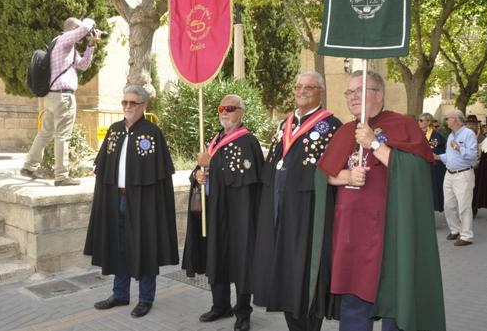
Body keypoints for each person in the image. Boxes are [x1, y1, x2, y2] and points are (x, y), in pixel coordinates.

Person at [316, 71, 445, 331]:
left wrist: (374, 144)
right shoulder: (344, 132)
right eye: (349, 92)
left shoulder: (402, 125)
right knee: (353, 304)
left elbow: (416, 172)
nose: (352, 97)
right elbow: (324, 177)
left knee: (395, 303)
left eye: (358, 91)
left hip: (390, 232)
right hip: (351, 233)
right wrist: (346, 176)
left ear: (379, 94)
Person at [251, 71, 342, 331]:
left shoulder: (331, 125)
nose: (301, 91)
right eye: (298, 87)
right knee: (284, 275)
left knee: (305, 277)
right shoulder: (285, 124)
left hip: (308, 215)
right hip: (280, 212)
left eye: (309, 87)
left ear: (320, 93)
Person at [84, 85, 179, 318]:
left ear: (144, 106)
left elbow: (161, 176)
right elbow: (103, 169)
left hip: (143, 202)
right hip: (116, 198)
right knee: (119, 246)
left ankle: (146, 298)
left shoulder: (153, 132)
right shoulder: (114, 131)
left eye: (132, 103)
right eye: (124, 102)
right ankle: (120, 294)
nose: (127, 107)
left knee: (145, 246)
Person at [182, 94, 264, 331]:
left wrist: (211, 166)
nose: (224, 112)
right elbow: (202, 171)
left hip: (238, 216)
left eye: (230, 108)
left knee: (240, 262)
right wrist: (198, 174)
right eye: (221, 108)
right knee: (214, 256)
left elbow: (244, 179)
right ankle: (220, 306)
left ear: (241, 112)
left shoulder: (248, 142)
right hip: (213, 212)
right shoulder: (215, 139)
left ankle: (243, 313)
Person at [21, 17, 101, 186]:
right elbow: (85, 26)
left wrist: (91, 45)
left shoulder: (65, 46)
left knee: (45, 132)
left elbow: (83, 65)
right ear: (71, 29)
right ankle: (61, 176)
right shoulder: (64, 39)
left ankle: (29, 166)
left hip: (53, 97)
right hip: (63, 97)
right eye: (78, 30)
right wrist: (89, 22)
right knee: (62, 135)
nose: (83, 34)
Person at [436, 110, 478, 246]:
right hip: (449, 173)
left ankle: (466, 236)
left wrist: (460, 148)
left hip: (463, 174)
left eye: (448, 118)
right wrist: (437, 157)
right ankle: (455, 229)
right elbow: (449, 156)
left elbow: (473, 155)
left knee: (464, 206)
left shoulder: (468, 134)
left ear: (455, 120)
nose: (446, 120)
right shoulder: (450, 136)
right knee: (448, 205)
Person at [419, 112, 447, 211]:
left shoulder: (437, 135)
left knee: (432, 191)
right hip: (420, 167)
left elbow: (445, 149)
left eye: (421, 120)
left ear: (428, 122)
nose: (419, 122)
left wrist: (437, 155)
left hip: (434, 168)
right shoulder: (416, 134)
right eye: (419, 120)